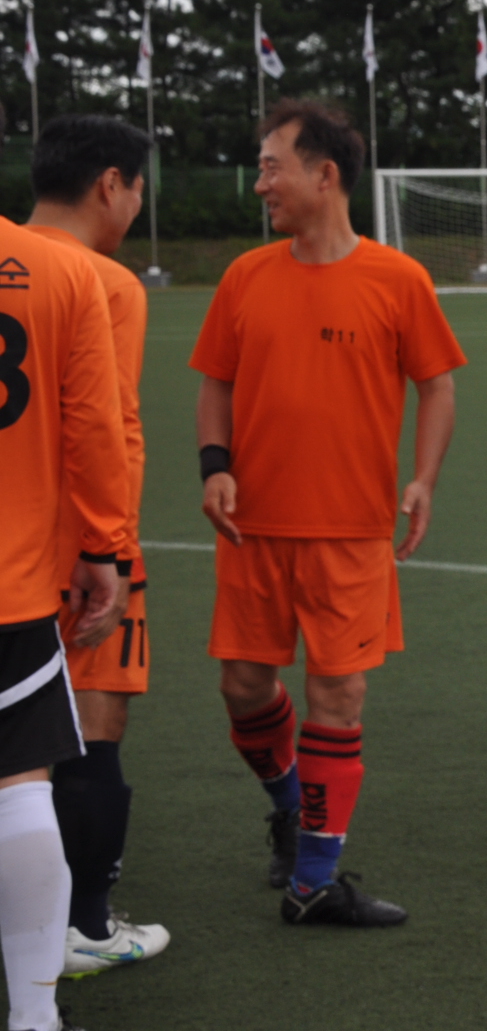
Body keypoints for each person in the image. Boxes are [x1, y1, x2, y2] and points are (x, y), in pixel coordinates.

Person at [191, 99, 464, 928]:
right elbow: (216, 382)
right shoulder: (246, 276)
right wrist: (215, 467)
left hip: (351, 533)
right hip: (253, 528)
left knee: (337, 695)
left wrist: (423, 480)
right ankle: (289, 806)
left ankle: (313, 881)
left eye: (272, 167)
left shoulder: (398, 279)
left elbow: (437, 385)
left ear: (325, 175)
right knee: (244, 689)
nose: (261, 184)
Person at [24, 117, 171, 976]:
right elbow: (103, 427)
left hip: (10, 545)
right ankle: (83, 925)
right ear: (111, 184)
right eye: (139, 190)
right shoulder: (103, 280)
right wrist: (109, 551)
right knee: (92, 729)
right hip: (77, 552)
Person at [0, 197, 130, 1031]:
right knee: (19, 785)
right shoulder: (62, 270)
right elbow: (94, 423)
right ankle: (35, 1016)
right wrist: (103, 546)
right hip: (12, 582)